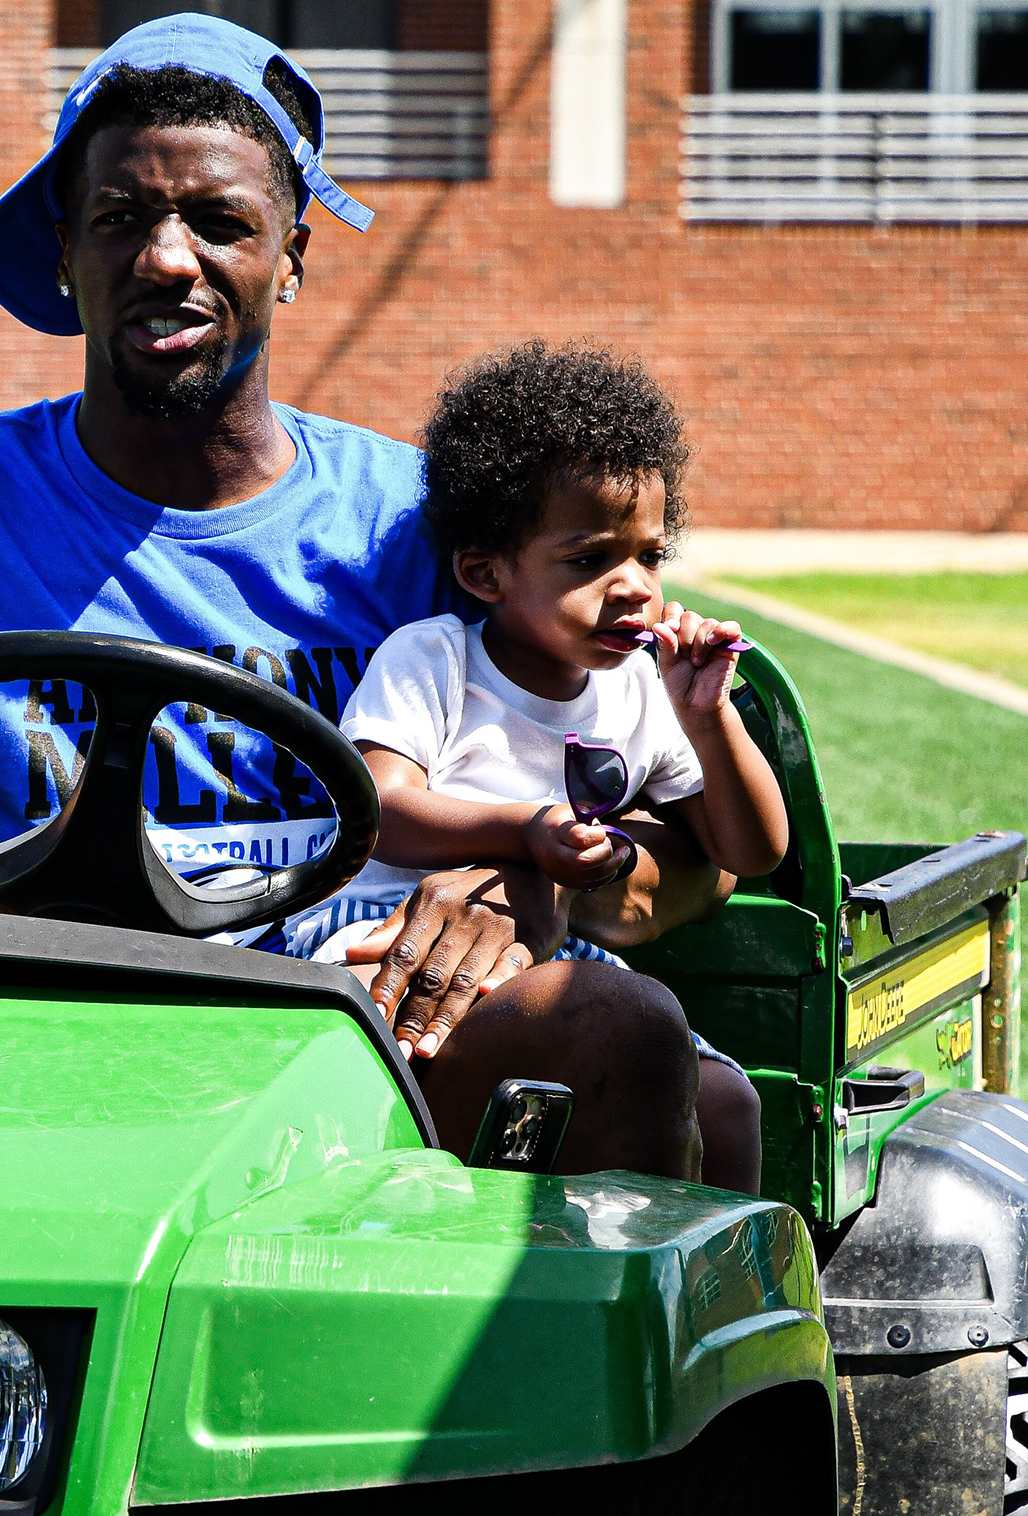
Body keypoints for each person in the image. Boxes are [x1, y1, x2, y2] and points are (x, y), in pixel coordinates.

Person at [0, 12, 731, 1177]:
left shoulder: (429, 526)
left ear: (292, 258)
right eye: (122, 218)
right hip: (19, 1028)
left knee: (631, 1039)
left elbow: (686, 857)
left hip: (357, 1025)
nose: (169, 258)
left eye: (221, 223)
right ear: (65, 251)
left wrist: (528, 879)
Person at [336, 341, 787, 1191]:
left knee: (730, 1105)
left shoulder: (643, 691)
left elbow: (751, 851)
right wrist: (526, 832)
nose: (633, 588)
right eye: (589, 560)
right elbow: (381, 808)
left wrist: (708, 714)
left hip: (561, 957)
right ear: (485, 572)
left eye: (649, 556)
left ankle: (716, 1308)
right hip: (401, 942)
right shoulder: (436, 659)